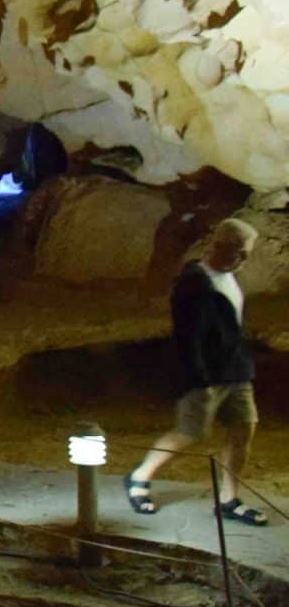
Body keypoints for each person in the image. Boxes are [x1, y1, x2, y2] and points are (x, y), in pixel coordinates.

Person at [126, 218, 269, 525]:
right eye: (240, 252)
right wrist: (199, 379)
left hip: (235, 371)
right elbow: (188, 336)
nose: (244, 259)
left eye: (246, 253)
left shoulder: (228, 277)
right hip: (208, 375)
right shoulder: (193, 282)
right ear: (219, 245)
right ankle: (140, 476)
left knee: (243, 429)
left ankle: (229, 499)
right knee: (190, 433)